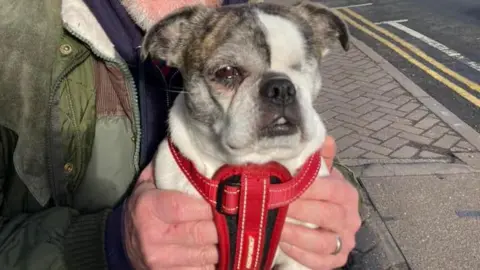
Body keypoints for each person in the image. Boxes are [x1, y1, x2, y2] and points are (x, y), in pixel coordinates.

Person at [0, 0, 362, 269]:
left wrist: (338, 209)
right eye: (230, 74)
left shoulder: (262, 14)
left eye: (298, 67)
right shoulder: (15, 31)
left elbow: (329, 170)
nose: (280, 92)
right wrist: (105, 242)